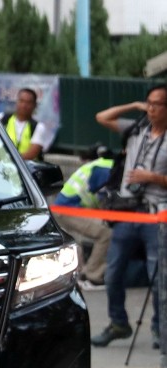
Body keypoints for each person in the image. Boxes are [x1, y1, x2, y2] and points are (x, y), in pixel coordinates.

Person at [90, 84, 167, 349]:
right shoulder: (136, 130)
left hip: (157, 217)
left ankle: (160, 330)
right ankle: (118, 323)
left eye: (158, 104)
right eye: (150, 103)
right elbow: (102, 117)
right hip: (128, 212)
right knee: (113, 273)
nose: (153, 108)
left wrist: (153, 178)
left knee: (158, 277)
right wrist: (135, 106)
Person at [53, 143, 115, 288]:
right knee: (106, 232)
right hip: (70, 210)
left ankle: (83, 273)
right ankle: (93, 277)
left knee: (81, 239)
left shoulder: (100, 165)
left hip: (66, 208)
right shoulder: (106, 168)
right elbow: (104, 200)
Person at [0, 88, 54, 161]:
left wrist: (10, 159)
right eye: (21, 101)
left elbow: (32, 153)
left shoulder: (38, 127)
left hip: (26, 169)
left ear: (34, 105)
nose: (24, 105)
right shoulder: (2, 118)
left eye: (28, 102)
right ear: (16, 102)